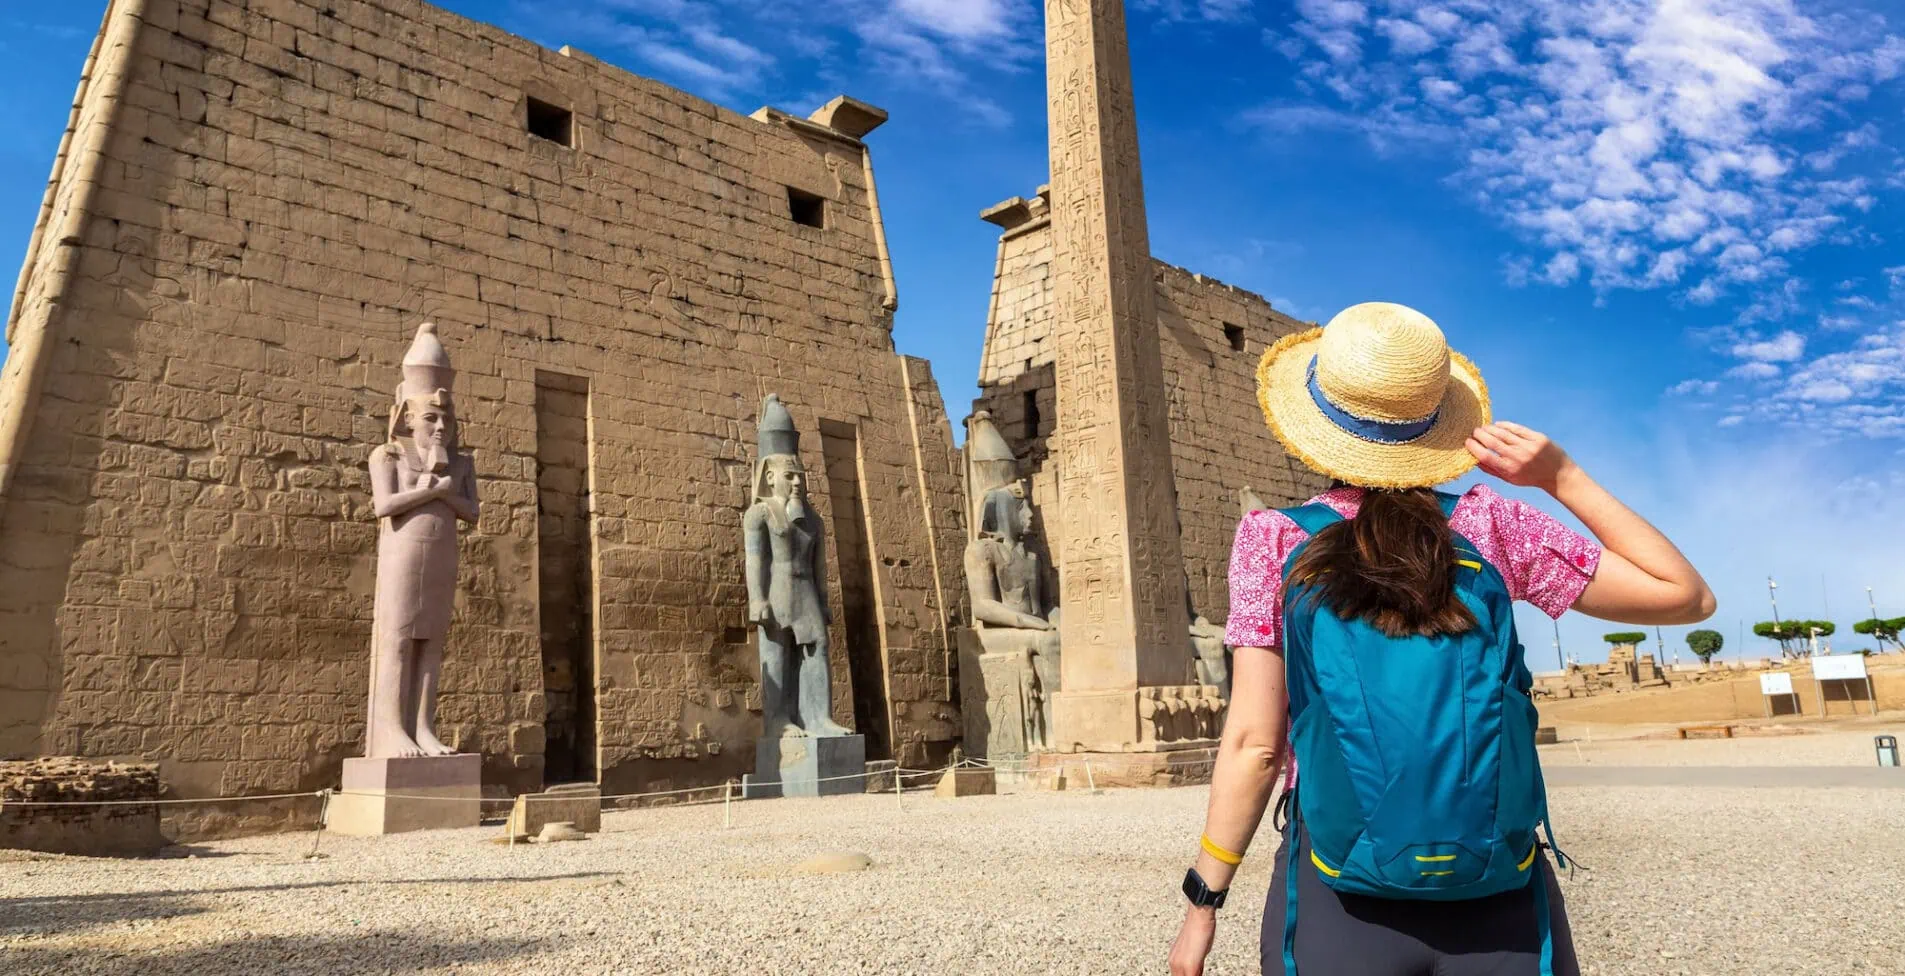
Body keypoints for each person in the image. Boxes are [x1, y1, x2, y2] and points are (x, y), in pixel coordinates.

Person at [1167, 303, 1715, 976]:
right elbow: (1685, 596)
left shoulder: (1274, 539)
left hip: (1336, 884)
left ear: (1316, 424)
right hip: (1498, 880)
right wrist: (1560, 477)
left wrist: (1204, 903)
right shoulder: (1492, 526)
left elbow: (1256, 744)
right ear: (1436, 423)